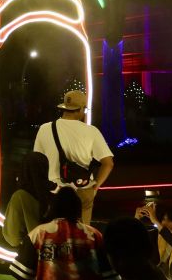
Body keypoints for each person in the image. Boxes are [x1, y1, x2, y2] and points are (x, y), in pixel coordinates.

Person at [33, 90, 114, 226]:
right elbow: (108, 163)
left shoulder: (44, 129)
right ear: (81, 109)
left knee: (55, 233)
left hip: (54, 191)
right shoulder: (91, 131)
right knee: (82, 233)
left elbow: (37, 161)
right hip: (82, 189)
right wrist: (95, 187)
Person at [135, 198, 172, 280]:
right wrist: (136, 219)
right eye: (163, 219)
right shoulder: (156, 235)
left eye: (168, 220)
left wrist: (155, 221)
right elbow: (135, 238)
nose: (163, 223)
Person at [2, 152, 53, 248]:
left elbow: (12, 238)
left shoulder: (19, 197)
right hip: (51, 251)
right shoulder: (54, 196)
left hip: (31, 251)